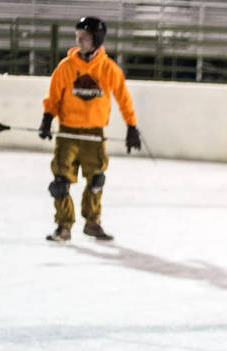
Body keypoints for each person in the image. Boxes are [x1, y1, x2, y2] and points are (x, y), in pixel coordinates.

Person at [39, 16, 141, 242]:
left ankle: (92, 222)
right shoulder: (66, 67)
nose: (79, 41)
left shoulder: (108, 69)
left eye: (84, 37)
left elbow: (124, 99)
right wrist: (47, 119)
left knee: (96, 180)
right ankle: (63, 225)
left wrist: (131, 126)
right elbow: (54, 96)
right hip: (68, 132)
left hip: (94, 134)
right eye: (78, 37)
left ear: (96, 38)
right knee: (60, 182)